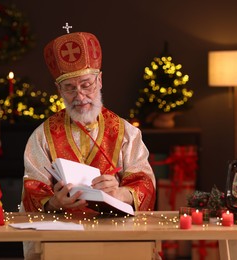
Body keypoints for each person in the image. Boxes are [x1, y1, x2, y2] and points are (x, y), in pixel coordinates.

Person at [20, 31, 156, 259]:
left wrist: (120, 193)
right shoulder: (42, 136)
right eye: (70, 88)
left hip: (117, 237)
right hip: (61, 240)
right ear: (58, 89)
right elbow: (32, 189)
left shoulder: (127, 133)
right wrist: (54, 201)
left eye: (86, 85)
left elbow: (145, 183)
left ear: (99, 80)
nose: (80, 96)